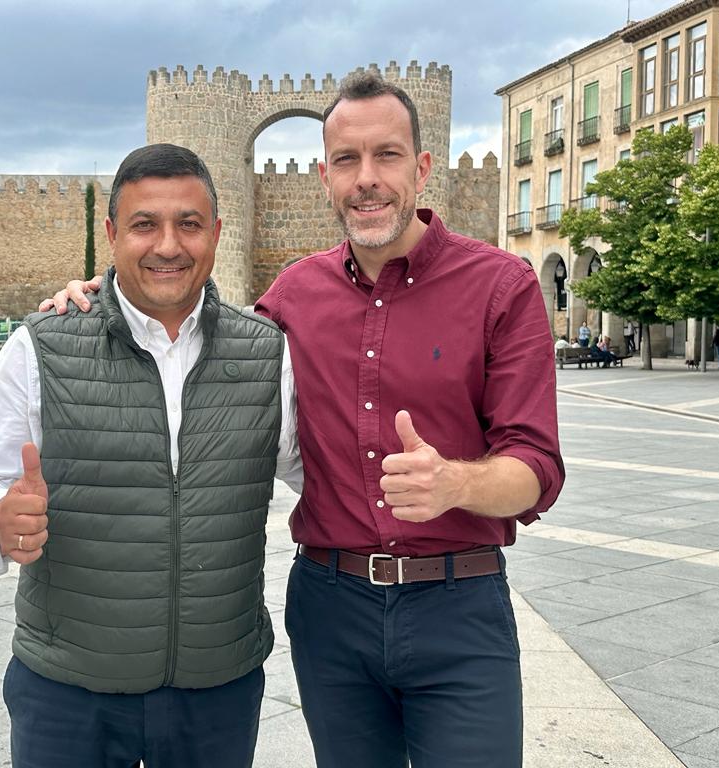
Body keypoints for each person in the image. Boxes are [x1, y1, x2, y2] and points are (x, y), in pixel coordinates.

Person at [45, 72, 563, 768]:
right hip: (332, 608)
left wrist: (455, 485)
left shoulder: (501, 286)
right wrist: (106, 295)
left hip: (458, 607)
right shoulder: (293, 294)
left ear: (424, 167)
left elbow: (536, 467)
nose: (367, 179)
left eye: (387, 156)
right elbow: (198, 335)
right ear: (325, 175)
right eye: (347, 160)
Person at [0, 144, 301, 768]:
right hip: (68, 692)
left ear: (216, 233)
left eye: (188, 224)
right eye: (145, 225)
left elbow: (317, 474)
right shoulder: (41, 346)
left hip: (216, 692)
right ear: (111, 234)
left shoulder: (269, 355)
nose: (168, 245)